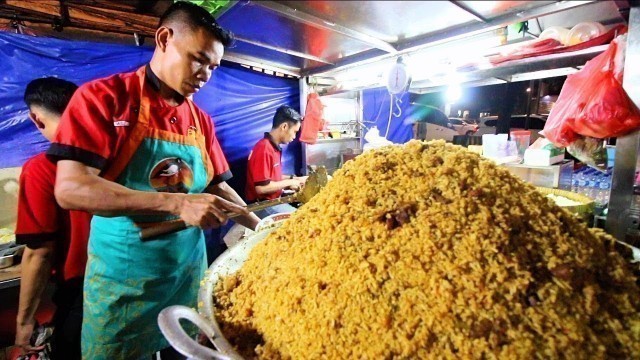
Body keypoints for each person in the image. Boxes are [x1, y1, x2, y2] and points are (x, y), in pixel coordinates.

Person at [45, 2, 260, 358]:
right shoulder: (104, 98)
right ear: (164, 38)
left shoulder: (200, 120)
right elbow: (71, 189)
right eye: (198, 59)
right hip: (126, 278)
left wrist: (262, 227)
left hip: (186, 276)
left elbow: (217, 187)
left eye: (213, 67)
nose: (205, 75)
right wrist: (177, 202)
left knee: (187, 348)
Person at [15, 77, 91, 360]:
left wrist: (24, 321)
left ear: (35, 118)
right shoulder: (116, 156)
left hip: (82, 294)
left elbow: (40, 253)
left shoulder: (40, 169)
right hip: (127, 279)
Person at [245, 105, 307, 218]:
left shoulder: (273, 147)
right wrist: (290, 183)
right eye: (294, 131)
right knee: (301, 218)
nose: (294, 136)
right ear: (284, 126)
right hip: (262, 205)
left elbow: (271, 177)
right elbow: (261, 188)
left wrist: (296, 179)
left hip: (273, 200)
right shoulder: (264, 148)